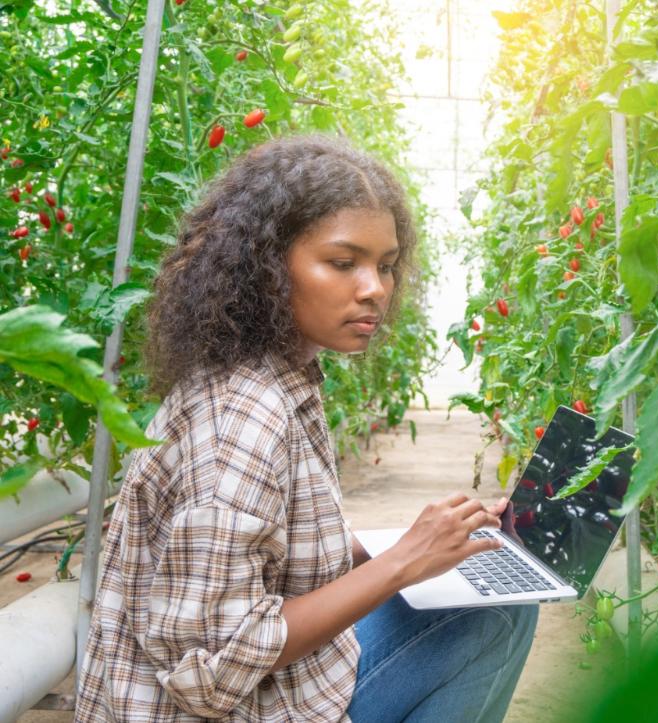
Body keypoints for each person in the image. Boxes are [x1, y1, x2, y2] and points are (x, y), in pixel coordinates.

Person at [74, 134, 539, 721]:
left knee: (491, 593)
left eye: (386, 266)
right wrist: (401, 564)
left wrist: (422, 544)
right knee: (498, 612)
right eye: (343, 263)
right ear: (267, 265)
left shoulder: (279, 377)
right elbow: (209, 671)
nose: (374, 288)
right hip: (222, 707)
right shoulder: (242, 420)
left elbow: (265, 559)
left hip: (268, 692)